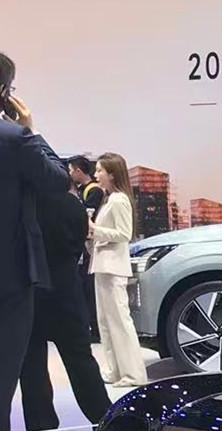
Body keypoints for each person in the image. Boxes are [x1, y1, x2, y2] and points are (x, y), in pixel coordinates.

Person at [0, 50, 69, 431]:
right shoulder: (15, 139)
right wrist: (32, 128)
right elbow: (58, 181)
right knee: (2, 374)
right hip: (8, 278)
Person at [20, 186, 112, 431]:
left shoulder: (23, 207)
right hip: (67, 290)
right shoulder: (72, 206)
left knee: (32, 365)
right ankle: (103, 419)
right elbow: (80, 240)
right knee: (81, 360)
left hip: (31, 291)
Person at [88, 153, 146, 386]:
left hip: (113, 268)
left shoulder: (119, 200)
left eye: (100, 170)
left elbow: (124, 233)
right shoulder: (110, 199)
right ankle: (116, 371)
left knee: (119, 322)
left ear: (112, 174)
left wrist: (94, 230)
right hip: (104, 266)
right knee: (106, 322)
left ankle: (133, 374)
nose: (96, 174)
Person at [67, 154, 104, 340]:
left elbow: (86, 216)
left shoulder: (94, 191)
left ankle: (95, 329)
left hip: (92, 246)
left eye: (71, 170)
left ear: (79, 171)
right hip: (87, 247)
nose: (70, 174)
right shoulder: (85, 190)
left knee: (89, 288)